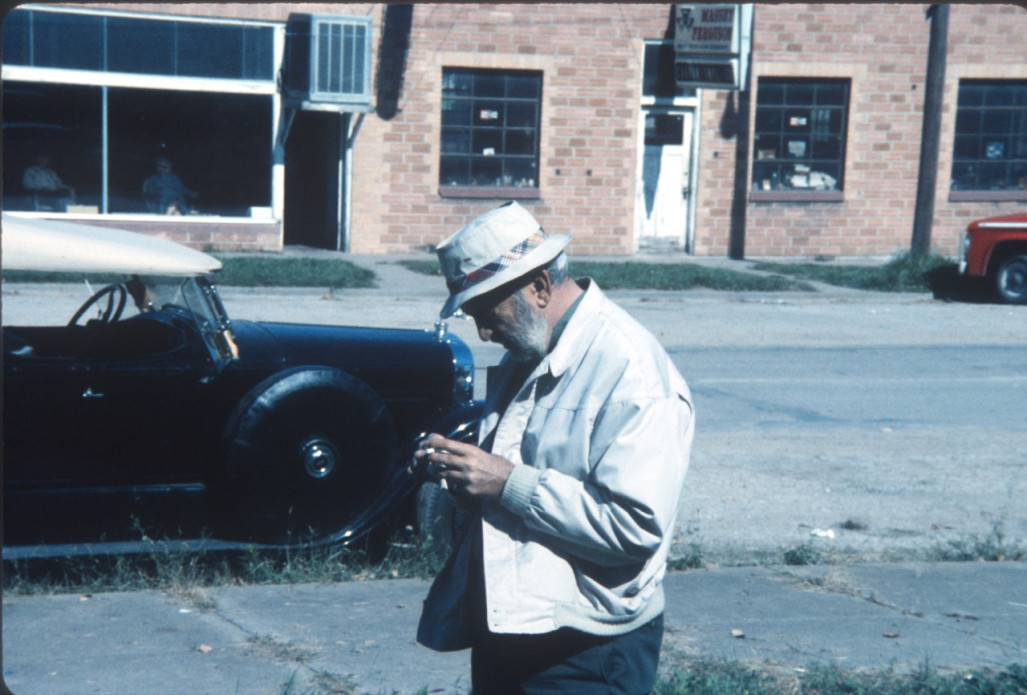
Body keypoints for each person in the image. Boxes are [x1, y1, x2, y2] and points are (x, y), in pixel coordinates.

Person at [412, 201, 694, 694]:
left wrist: (504, 481)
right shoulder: (531, 348)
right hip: (515, 623)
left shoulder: (631, 371)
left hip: (587, 646)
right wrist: (461, 473)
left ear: (539, 287)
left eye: (487, 313)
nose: (483, 333)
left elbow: (634, 527)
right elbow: (515, 484)